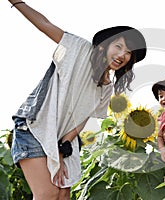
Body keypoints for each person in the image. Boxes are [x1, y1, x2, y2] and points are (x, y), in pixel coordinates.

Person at [8, 1, 147, 199]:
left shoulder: (106, 86)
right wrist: (17, 2)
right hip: (35, 127)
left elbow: (84, 116)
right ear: (104, 46)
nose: (122, 55)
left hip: (63, 138)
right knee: (47, 194)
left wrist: (65, 144)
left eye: (128, 53)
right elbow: (44, 24)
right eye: (119, 46)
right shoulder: (79, 49)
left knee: (63, 194)